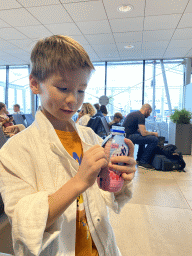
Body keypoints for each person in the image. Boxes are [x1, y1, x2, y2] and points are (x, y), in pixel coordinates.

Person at [0, 35, 136, 256]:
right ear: (35, 84)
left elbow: (105, 199)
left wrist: (119, 178)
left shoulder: (91, 137)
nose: (74, 100)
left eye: (81, 90)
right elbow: (25, 223)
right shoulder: (14, 151)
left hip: (102, 246)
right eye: (63, 88)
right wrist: (79, 181)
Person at [123, 103, 158, 169]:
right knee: (154, 139)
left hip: (126, 135)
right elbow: (144, 133)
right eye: (149, 112)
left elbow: (138, 130)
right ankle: (143, 162)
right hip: (129, 137)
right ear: (146, 110)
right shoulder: (141, 116)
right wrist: (154, 133)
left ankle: (139, 159)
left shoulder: (135, 114)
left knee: (143, 138)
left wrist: (145, 132)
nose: (149, 114)